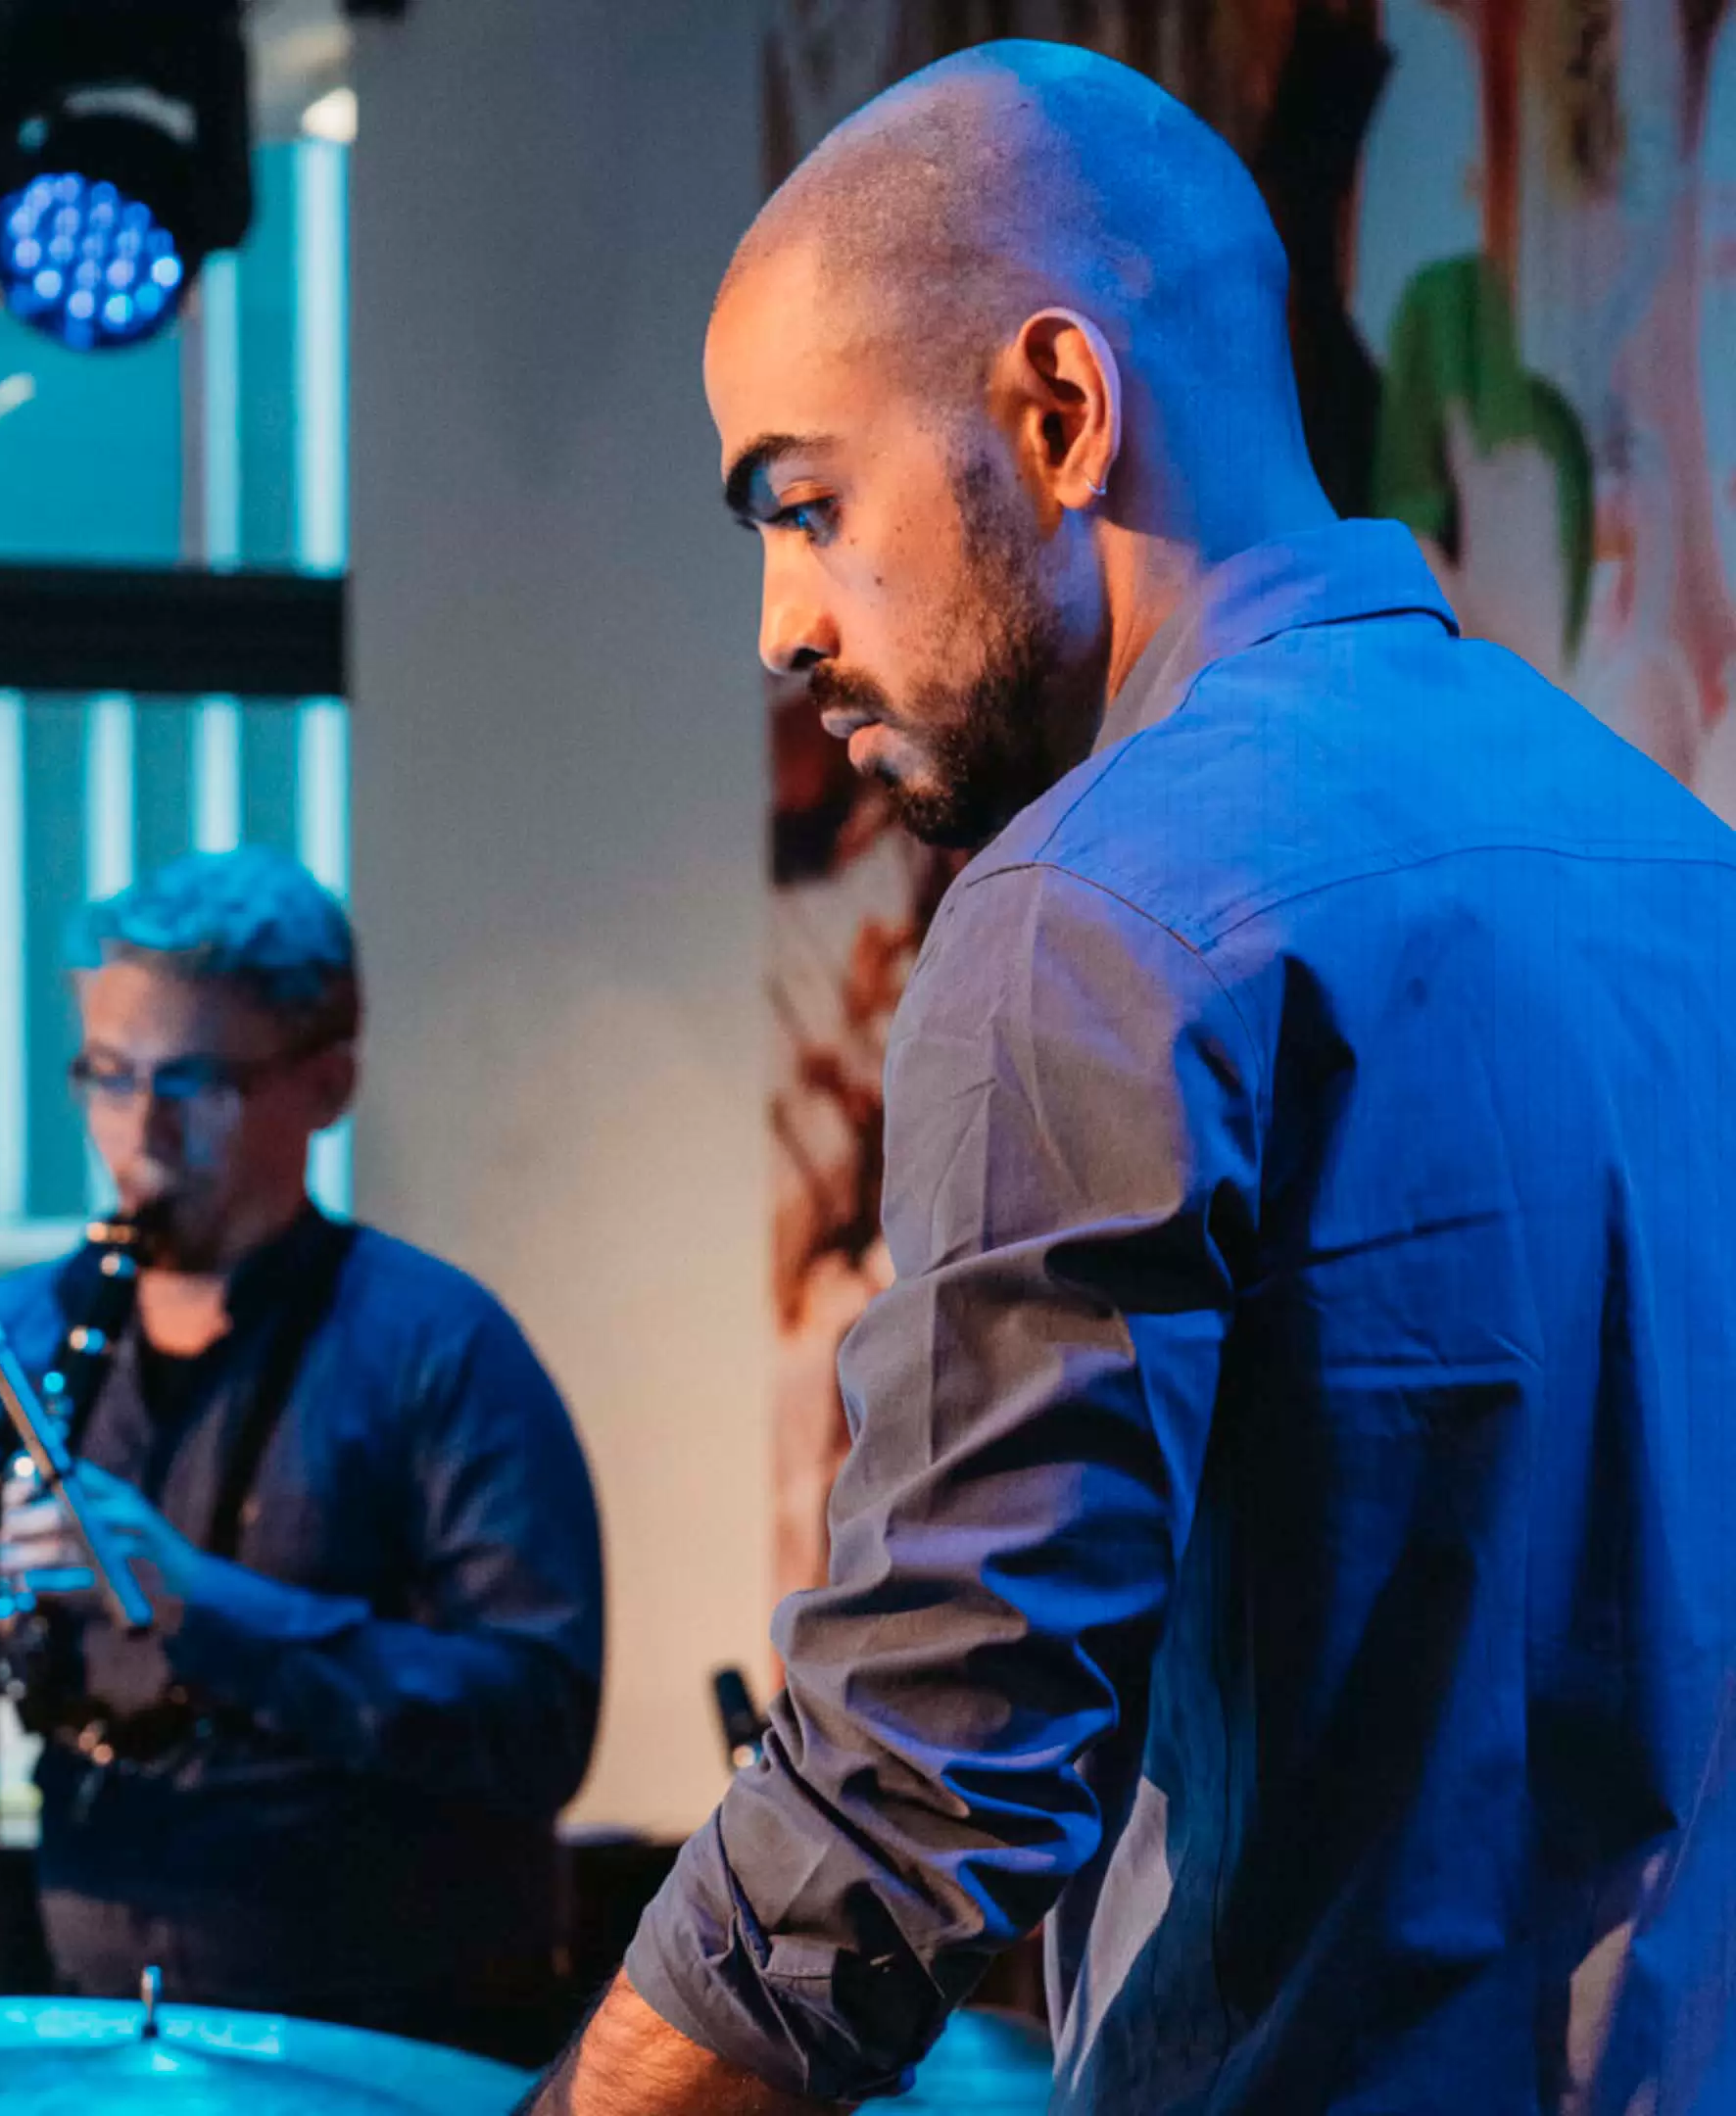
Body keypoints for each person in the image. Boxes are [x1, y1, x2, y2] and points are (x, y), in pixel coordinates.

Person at [536, 39, 1736, 2116]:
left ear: (1061, 410)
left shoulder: (1085, 910)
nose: (779, 624)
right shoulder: (1684, 866)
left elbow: (911, 1785)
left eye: (808, 506)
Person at [0, 845, 604, 2059]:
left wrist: (198, 1605)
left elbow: (536, 1727)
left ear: (325, 1084)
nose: (139, 1135)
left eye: (193, 1084)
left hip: (390, 2054)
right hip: (80, 2027)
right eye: (108, 1077)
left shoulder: (443, 1349)